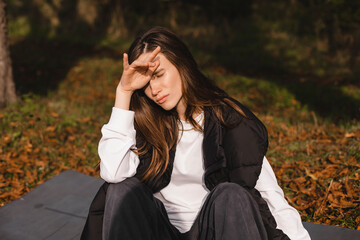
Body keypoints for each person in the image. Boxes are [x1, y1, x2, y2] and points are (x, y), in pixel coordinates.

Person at [81, 26, 311, 240]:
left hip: (214, 231)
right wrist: (124, 91)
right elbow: (113, 173)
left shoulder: (227, 120)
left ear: (182, 65)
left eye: (159, 75)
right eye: (145, 84)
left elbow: (268, 192)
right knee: (121, 191)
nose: (154, 90)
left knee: (231, 195)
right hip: (158, 231)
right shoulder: (145, 124)